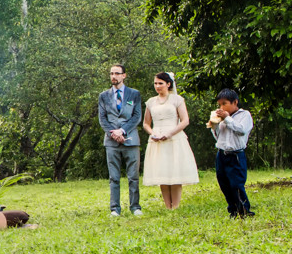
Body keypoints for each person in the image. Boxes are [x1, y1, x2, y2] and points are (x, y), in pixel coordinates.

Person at [142, 72, 199, 208]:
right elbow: (146, 123)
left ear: (168, 84)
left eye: (160, 83)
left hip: (174, 137)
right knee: (162, 171)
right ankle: (168, 205)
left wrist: (169, 133)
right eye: (155, 83)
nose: (158, 86)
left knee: (174, 171)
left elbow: (185, 121)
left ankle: (176, 206)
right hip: (157, 138)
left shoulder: (177, 100)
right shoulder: (151, 102)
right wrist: (152, 133)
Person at [98, 64, 143, 216]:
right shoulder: (103, 96)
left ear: (124, 75)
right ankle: (115, 209)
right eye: (111, 73)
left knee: (133, 176)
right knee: (114, 177)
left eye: (117, 73)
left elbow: (137, 116)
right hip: (111, 142)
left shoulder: (134, 94)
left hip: (130, 140)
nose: (113, 76)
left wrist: (122, 131)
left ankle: (135, 207)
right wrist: (114, 134)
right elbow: (102, 119)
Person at [206, 88, 254, 218]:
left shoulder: (244, 115)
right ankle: (232, 210)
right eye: (219, 105)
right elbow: (219, 137)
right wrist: (214, 126)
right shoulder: (222, 119)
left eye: (224, 104)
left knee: (236, 184)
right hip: (222, 154)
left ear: (235, 102)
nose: (221, 107)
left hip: (236, 155)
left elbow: (241, 130)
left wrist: (227, 118)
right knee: (224, 183)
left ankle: (244, 210)